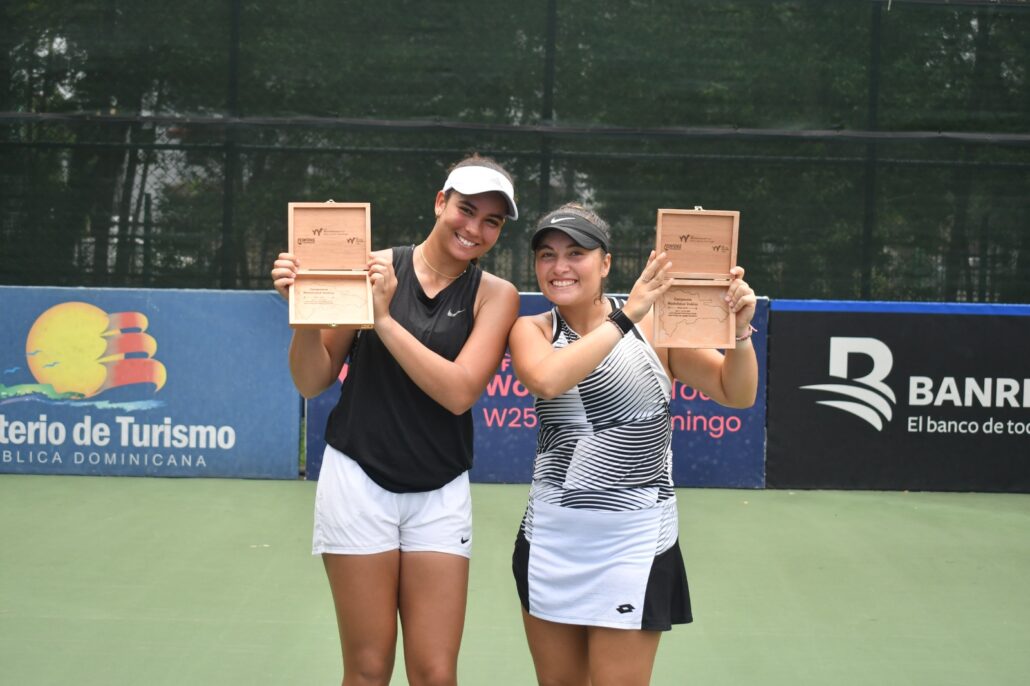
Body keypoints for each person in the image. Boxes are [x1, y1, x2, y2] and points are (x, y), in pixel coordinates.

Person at [271, 155, 520, 686]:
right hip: (358, 480)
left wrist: (380, 319)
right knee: (366, 670)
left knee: (435, 674)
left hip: (440, 490)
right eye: (466, 209)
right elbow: (312, 380)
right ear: (440, 202)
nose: (474, 228)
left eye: (492, 221)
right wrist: (303, 314)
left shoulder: (496, 296)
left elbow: (458, 392)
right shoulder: (371, 265)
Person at [508, 203, 758, 686]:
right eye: (546, 254)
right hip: (553, 540)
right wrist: (626, 316)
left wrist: (741, 332)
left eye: (575, 253)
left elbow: (736, 391)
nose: (559, 267)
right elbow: (546, 379)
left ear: (605, 263)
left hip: (635, 542)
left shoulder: (654, 329)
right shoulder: (532, 329)